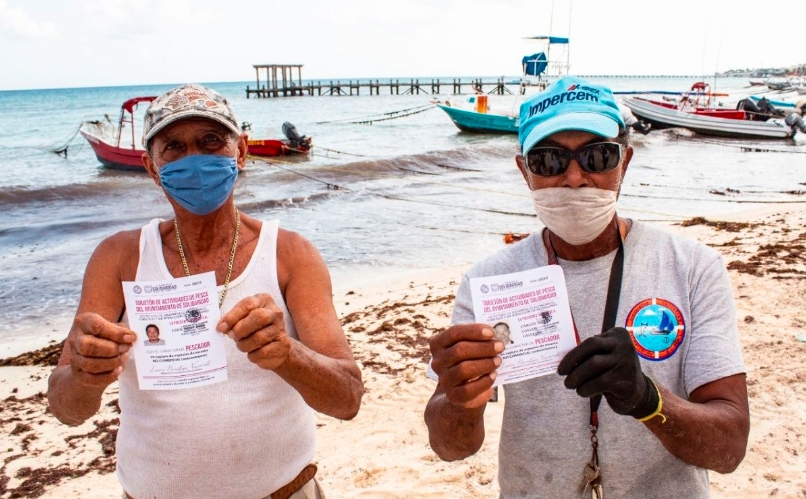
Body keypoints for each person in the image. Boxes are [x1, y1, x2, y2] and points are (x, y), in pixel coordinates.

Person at [424, 76, 749, 497]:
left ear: (625, 163)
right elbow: (451, 448)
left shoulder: (692, 268)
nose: (575, 177)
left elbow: (729, 448)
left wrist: (646, 399)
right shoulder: (489, 281)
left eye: (597, 156)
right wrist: (458, 398)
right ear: (525, 172)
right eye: (549, 161)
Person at [47, 84, 363, 499]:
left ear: (241, 152)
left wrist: (288, 354)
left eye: (211, 141)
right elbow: (66, 408)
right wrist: (87, 376)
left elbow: (347, 399)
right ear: (151, 166)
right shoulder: (120, 258)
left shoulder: (289, 254)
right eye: (173, 147)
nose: (194, 159)